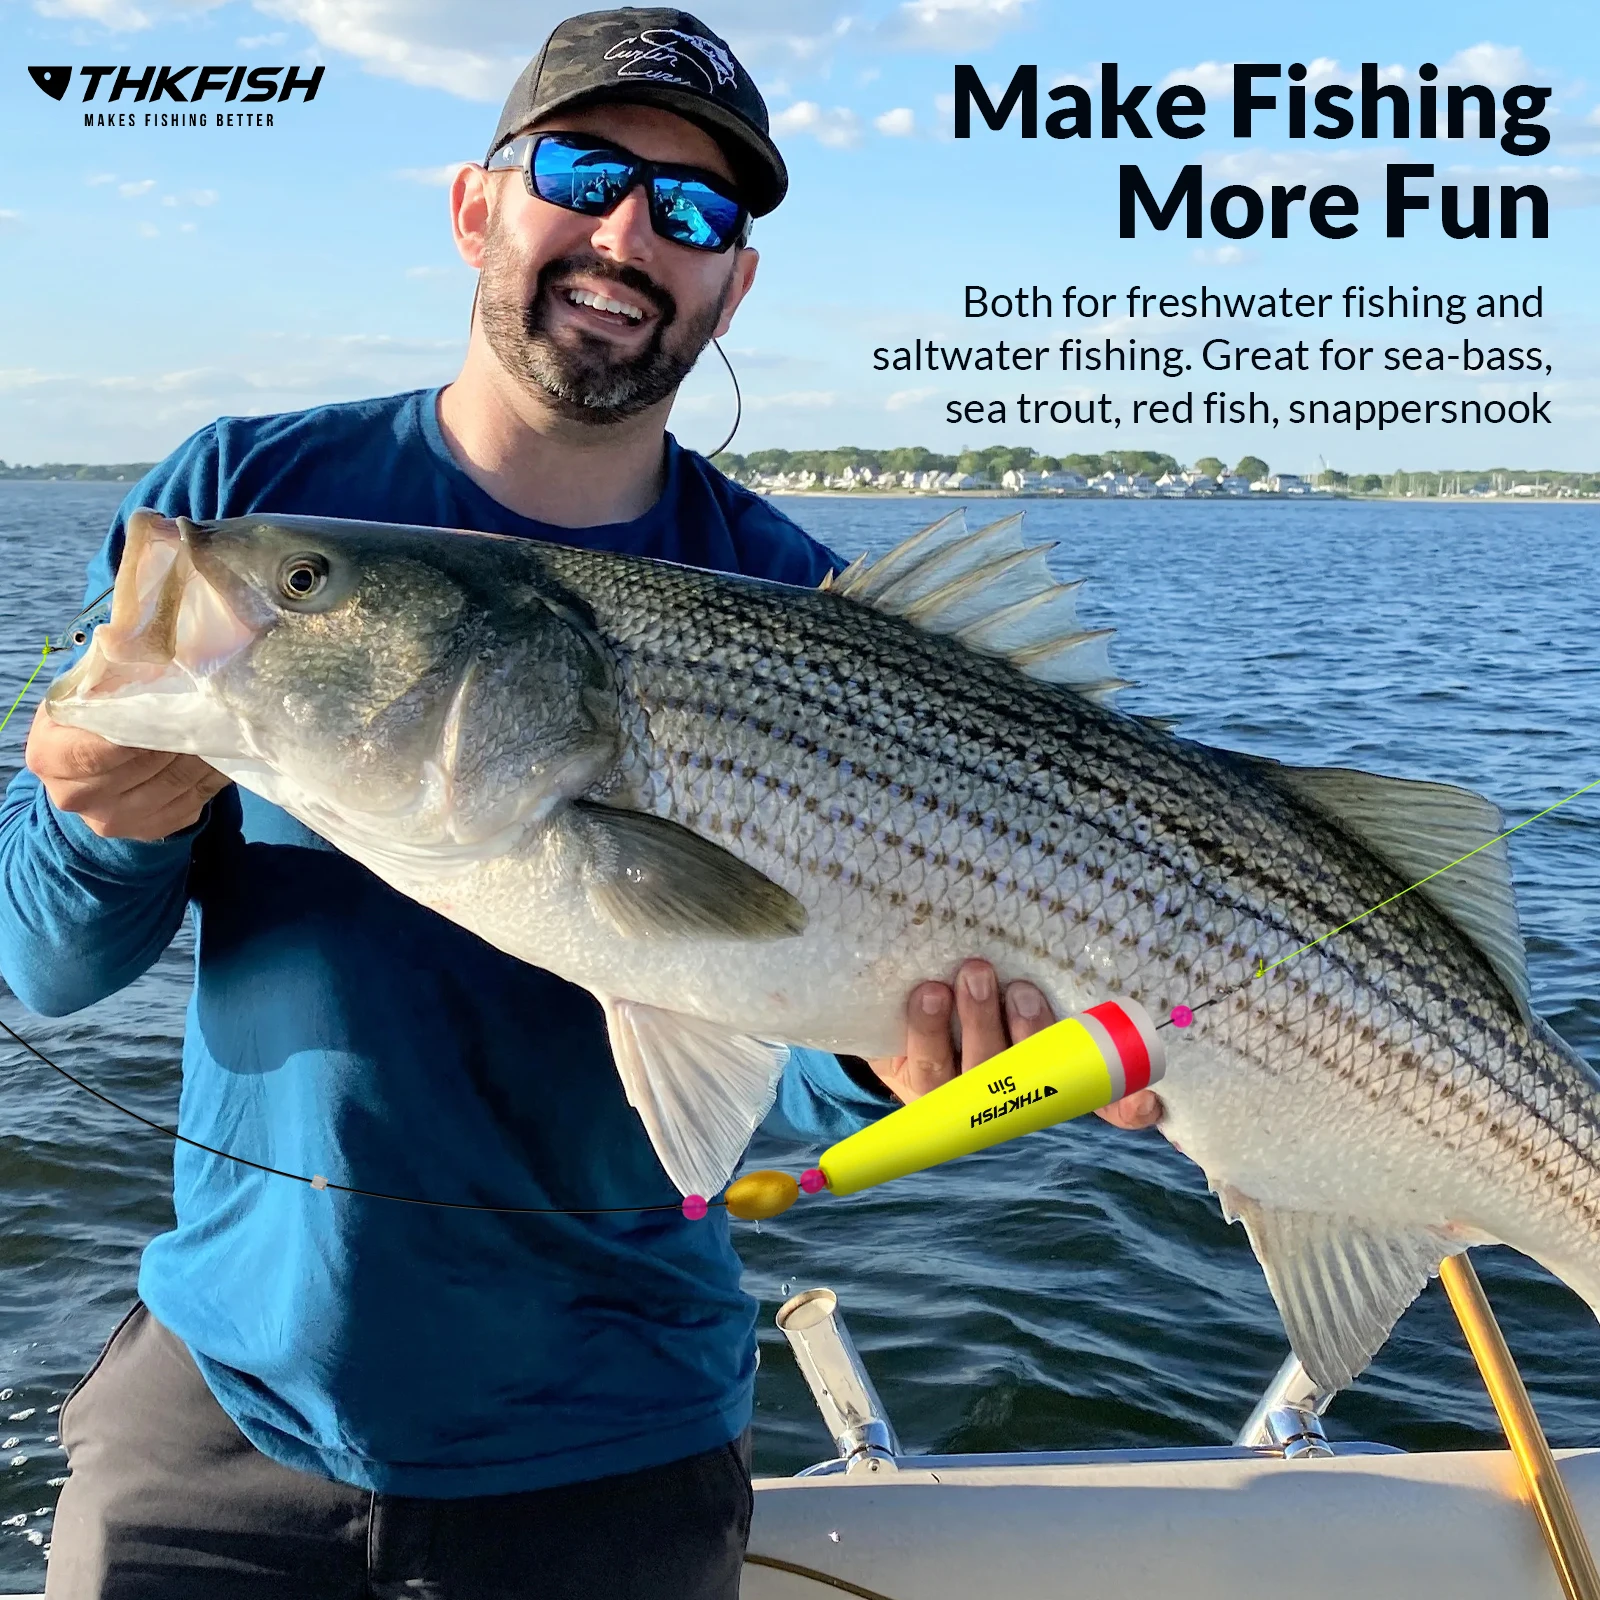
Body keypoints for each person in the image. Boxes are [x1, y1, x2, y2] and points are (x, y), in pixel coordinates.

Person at [0, 9, 1159, 1597]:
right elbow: (44, 961)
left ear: (733, 284)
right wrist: (99, 817)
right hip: (222, 1418)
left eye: (693, 209)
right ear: (476, 205)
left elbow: (762, 1080)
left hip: (614, 1455)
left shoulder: (810, 609)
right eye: (582, 173)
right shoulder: (239, 509)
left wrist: (890, 1066)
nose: (627, 235)